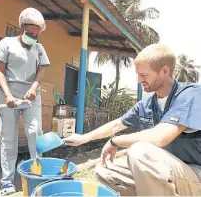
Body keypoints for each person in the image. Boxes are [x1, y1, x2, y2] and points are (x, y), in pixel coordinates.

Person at [64, 43, 201, 196]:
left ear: (164, 71)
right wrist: (84, 138)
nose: (138, 80)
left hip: (195, 173)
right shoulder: (149, 103)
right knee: (105, 171)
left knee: (140, 152)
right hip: (167, 171)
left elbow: (160, 137)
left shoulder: (191, 94)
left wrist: (115, 141)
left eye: (144, 75)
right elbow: (116, 125)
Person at [0, 8, 50, 195]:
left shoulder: (39, 49)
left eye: (37, 34)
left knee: (35, 132)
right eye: (30, 32)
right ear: (22, 28)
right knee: (9, 137)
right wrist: (8, 95)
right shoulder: (6, 43)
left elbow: (41, 71)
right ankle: (7, 181)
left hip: (31, 96)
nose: (33, 36)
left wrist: (34, 88)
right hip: (8, 95)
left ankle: (38, 174)